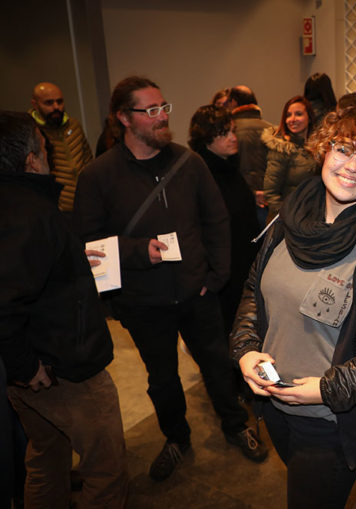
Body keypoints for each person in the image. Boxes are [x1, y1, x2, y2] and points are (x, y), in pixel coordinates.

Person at [231, 103, 356, 508]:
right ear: (324, 149)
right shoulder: (288, 218)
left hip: (330, 422)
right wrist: (245, 350)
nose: (353, 166)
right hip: (274, 404)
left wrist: (327, 389)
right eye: (343, 149)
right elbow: (254, 291)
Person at [73, 76, 267, 482]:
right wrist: (135, 251)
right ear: (124, 118)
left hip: (197, 292)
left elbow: (216, 221)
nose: (162, 117)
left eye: (164, 108)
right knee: (162, 378)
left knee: (217, 365)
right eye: (150, 110)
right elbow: (88, 243)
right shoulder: (98, 175)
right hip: (142, 301)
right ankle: (176, 437)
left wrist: (216, 276)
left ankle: (235, 425)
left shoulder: (188, 162)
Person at [0, 111, 127, 507]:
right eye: (44, 147)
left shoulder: (16, 206)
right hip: (64, 371)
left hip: (36, 368)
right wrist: (25, 367)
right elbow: (5, 303)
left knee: (46, 458)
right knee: (106, 471)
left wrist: (69, 259)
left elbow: (23, 272)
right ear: (31, 160)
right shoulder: (31, 213)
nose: (50, 155)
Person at [188, 104, 259, 331]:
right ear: (207, 138)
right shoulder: (201, 172)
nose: (233, 138)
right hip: (222, 270)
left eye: (232, 131)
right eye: (224, 133)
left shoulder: (228, 166)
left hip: (240, 262)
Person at [28, 82, 93, 213]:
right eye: (49, 103)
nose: (56, 107)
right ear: (35, 104)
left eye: (59, 101)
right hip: (56, 209)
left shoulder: (74, 126)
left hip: (85, 204)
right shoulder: (31, 131)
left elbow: (89, 162)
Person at [262, 95, 317, 220]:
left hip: (312, 216)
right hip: (289, 220)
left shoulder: (317, 147)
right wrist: (288, 217)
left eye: (298, 114)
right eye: (288, 115)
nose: (292, 119)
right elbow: (271, 193)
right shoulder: (281, 148)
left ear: (309, 117)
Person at [227, 85, 272, 229]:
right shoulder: (273, 130)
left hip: (240, 202)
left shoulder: (228, 133)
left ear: (233, 102)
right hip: (270, 201)